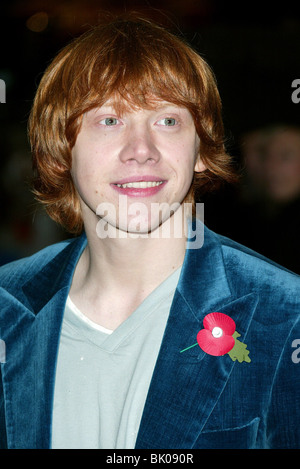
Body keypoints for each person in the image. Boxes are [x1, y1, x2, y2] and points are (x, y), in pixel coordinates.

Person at [0, 14, 299, 450]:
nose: (141, 150)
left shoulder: (285, 316)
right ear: (62, 150)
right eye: (109, 120)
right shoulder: (8, 303)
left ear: (201, 148)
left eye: (167, 121)